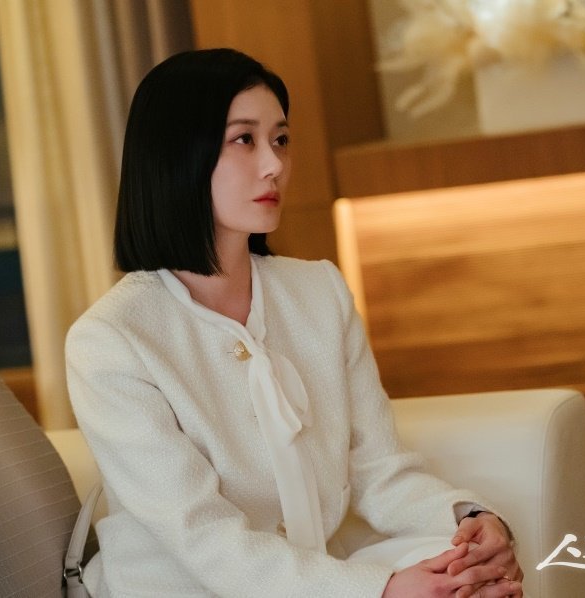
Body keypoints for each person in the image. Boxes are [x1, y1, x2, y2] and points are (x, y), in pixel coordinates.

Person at [65, 48, 523, 598]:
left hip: (315, 577)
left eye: (280, 139)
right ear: (177, 154)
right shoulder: (110, 341)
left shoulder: (318, 292)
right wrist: (380, 591)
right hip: (186, 589)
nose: (274, 164)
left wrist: (468, 520)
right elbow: (203, 538)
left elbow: (375, 468)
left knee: (477, 579)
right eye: (244, 139)